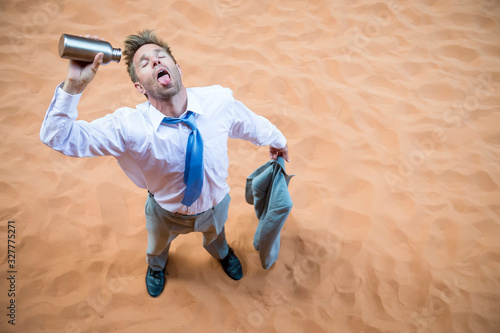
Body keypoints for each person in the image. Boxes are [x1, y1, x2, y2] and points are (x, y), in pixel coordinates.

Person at [40, 30, 289, 297]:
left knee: (217, 236)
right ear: (140, 87)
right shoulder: (127, 126)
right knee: (157, 246)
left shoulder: (219, 102)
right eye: (145, 63)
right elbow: (58, 137)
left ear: (177, 68)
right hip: (165, 212)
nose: (156, 62)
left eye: (161, 57)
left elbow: (250, 124)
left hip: (216, 205)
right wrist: (74, 85)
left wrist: (279, 140)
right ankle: (156, 267)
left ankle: (222, 253)